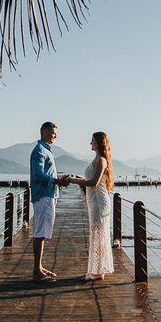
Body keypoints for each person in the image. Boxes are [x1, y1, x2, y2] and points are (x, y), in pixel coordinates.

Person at [63, 131, 114, 281]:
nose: (90, 143)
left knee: (99, 235)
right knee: (96, 235)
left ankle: (98, 272)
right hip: (94, 201)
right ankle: (96, 269)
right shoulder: (97, 159)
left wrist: (72, 180)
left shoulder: (101, 160)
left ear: (98, 142)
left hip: (99, 201)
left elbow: (93, 183)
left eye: (92, 140)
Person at [29, 121, 61, 282]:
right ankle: (36, 270)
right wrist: (56, 181)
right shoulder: (39, 151)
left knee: (42, 232)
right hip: (43, 196)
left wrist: (56, 181)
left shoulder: (46, 150)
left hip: (48, 196)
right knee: (40, 233)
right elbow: (37, 174)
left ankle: (39, 266)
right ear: (46, 132)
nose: (56, 135)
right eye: (54, 132)